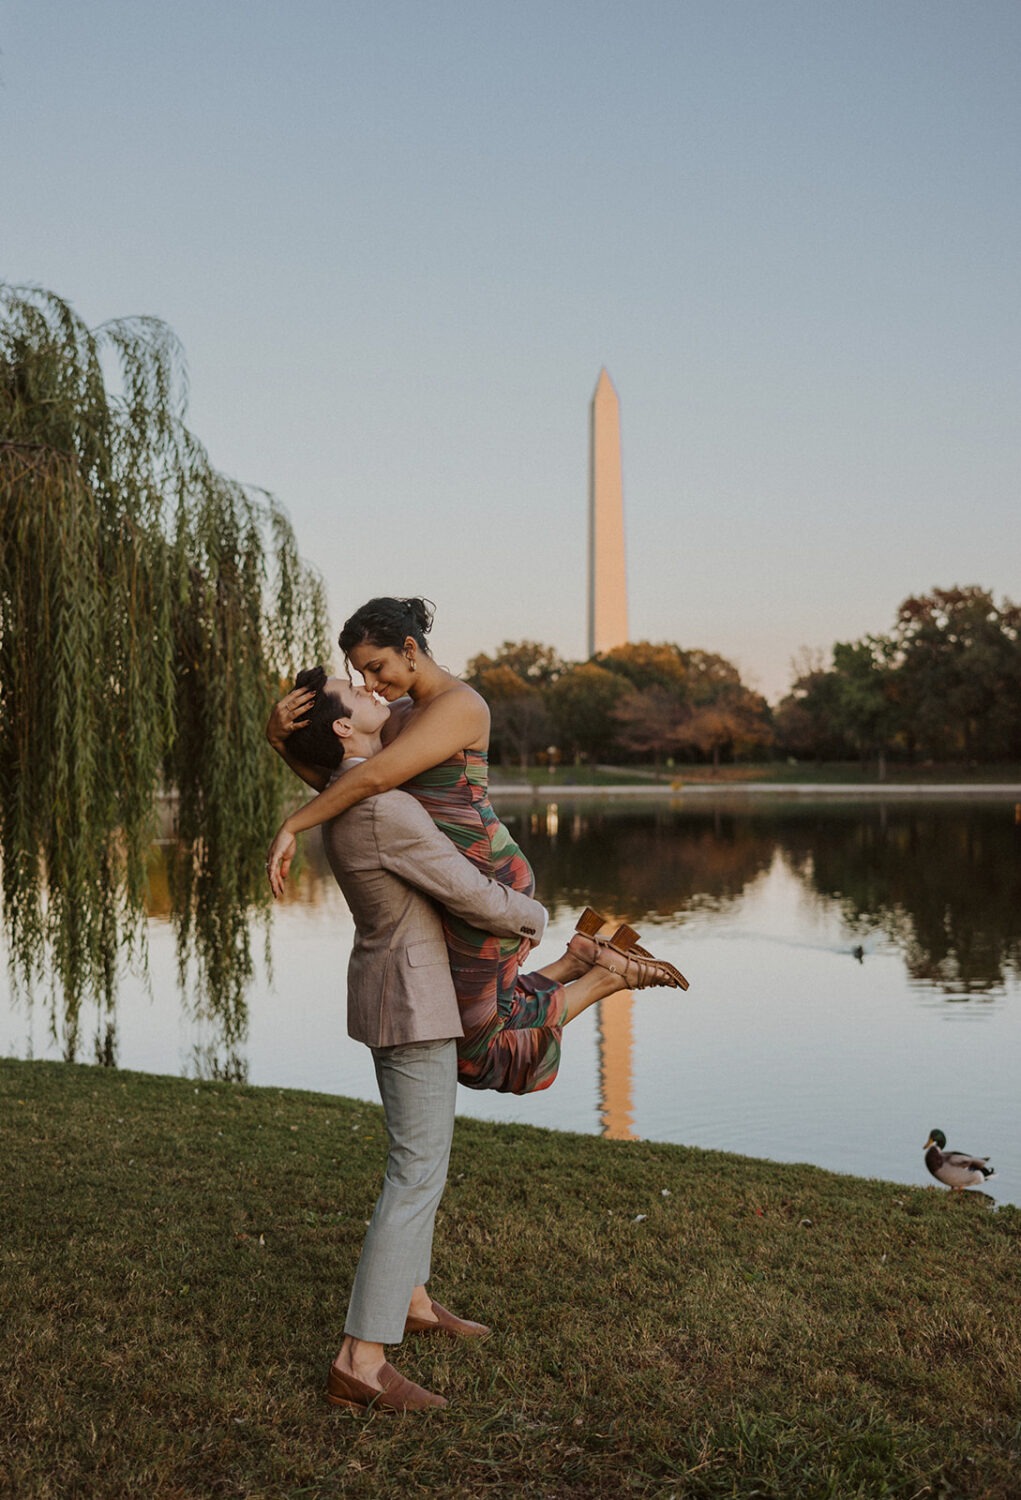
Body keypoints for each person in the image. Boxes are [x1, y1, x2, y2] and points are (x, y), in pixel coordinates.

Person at [267, 597, 686, 1095]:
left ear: (409, 649)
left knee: (474, 1047)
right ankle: (580, 960)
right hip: (447, 876)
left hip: (486, 874)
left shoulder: (460, 706)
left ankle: (603, 978)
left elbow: (373, 779)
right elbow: (351, 788)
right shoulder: (398, 713)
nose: (372, 685)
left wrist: (293, 824)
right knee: (481, 1015)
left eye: (376, 668)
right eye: (362, 676)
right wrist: (282, 744)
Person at [288, 670, 549, 1413]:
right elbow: (467, 894)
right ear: (344, 730)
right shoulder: (384, 809)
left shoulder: (358, 797)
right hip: (413, 1000)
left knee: (418, 1161)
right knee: (415, 1170)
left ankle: (413, 1300)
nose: (372, 693)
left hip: (395, 990)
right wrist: (531, 914)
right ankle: (359, 1359)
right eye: (356, 693)